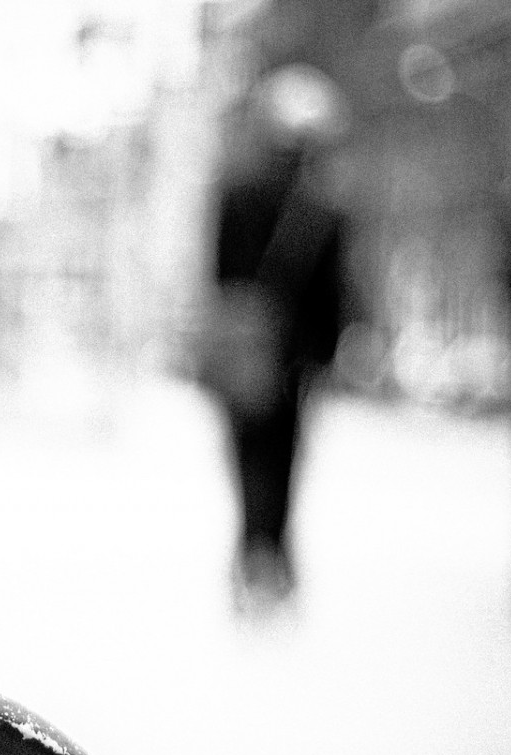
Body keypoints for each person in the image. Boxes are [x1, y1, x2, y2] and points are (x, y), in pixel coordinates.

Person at [205, 65, 354, 607]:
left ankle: (254, 555)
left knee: (248, 458)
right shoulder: (323, 207)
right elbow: (336, 293)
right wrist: (330, 353)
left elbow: (219, 278)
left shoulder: (236, 194)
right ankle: (274, 557)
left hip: (248, 352)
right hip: (293, 359)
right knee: (285, 457)